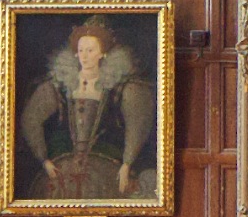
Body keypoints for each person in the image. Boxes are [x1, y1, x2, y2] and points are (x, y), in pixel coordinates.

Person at [17, 17, 152, 203]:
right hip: (62, 169)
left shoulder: (122, 89)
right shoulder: (58, 85)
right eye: (81, 50)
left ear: (102, 53)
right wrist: (45, 160)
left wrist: (127, 164)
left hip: (106, 167)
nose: (85, 56)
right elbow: (30, 120)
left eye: (90, 50)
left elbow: (137, 125)